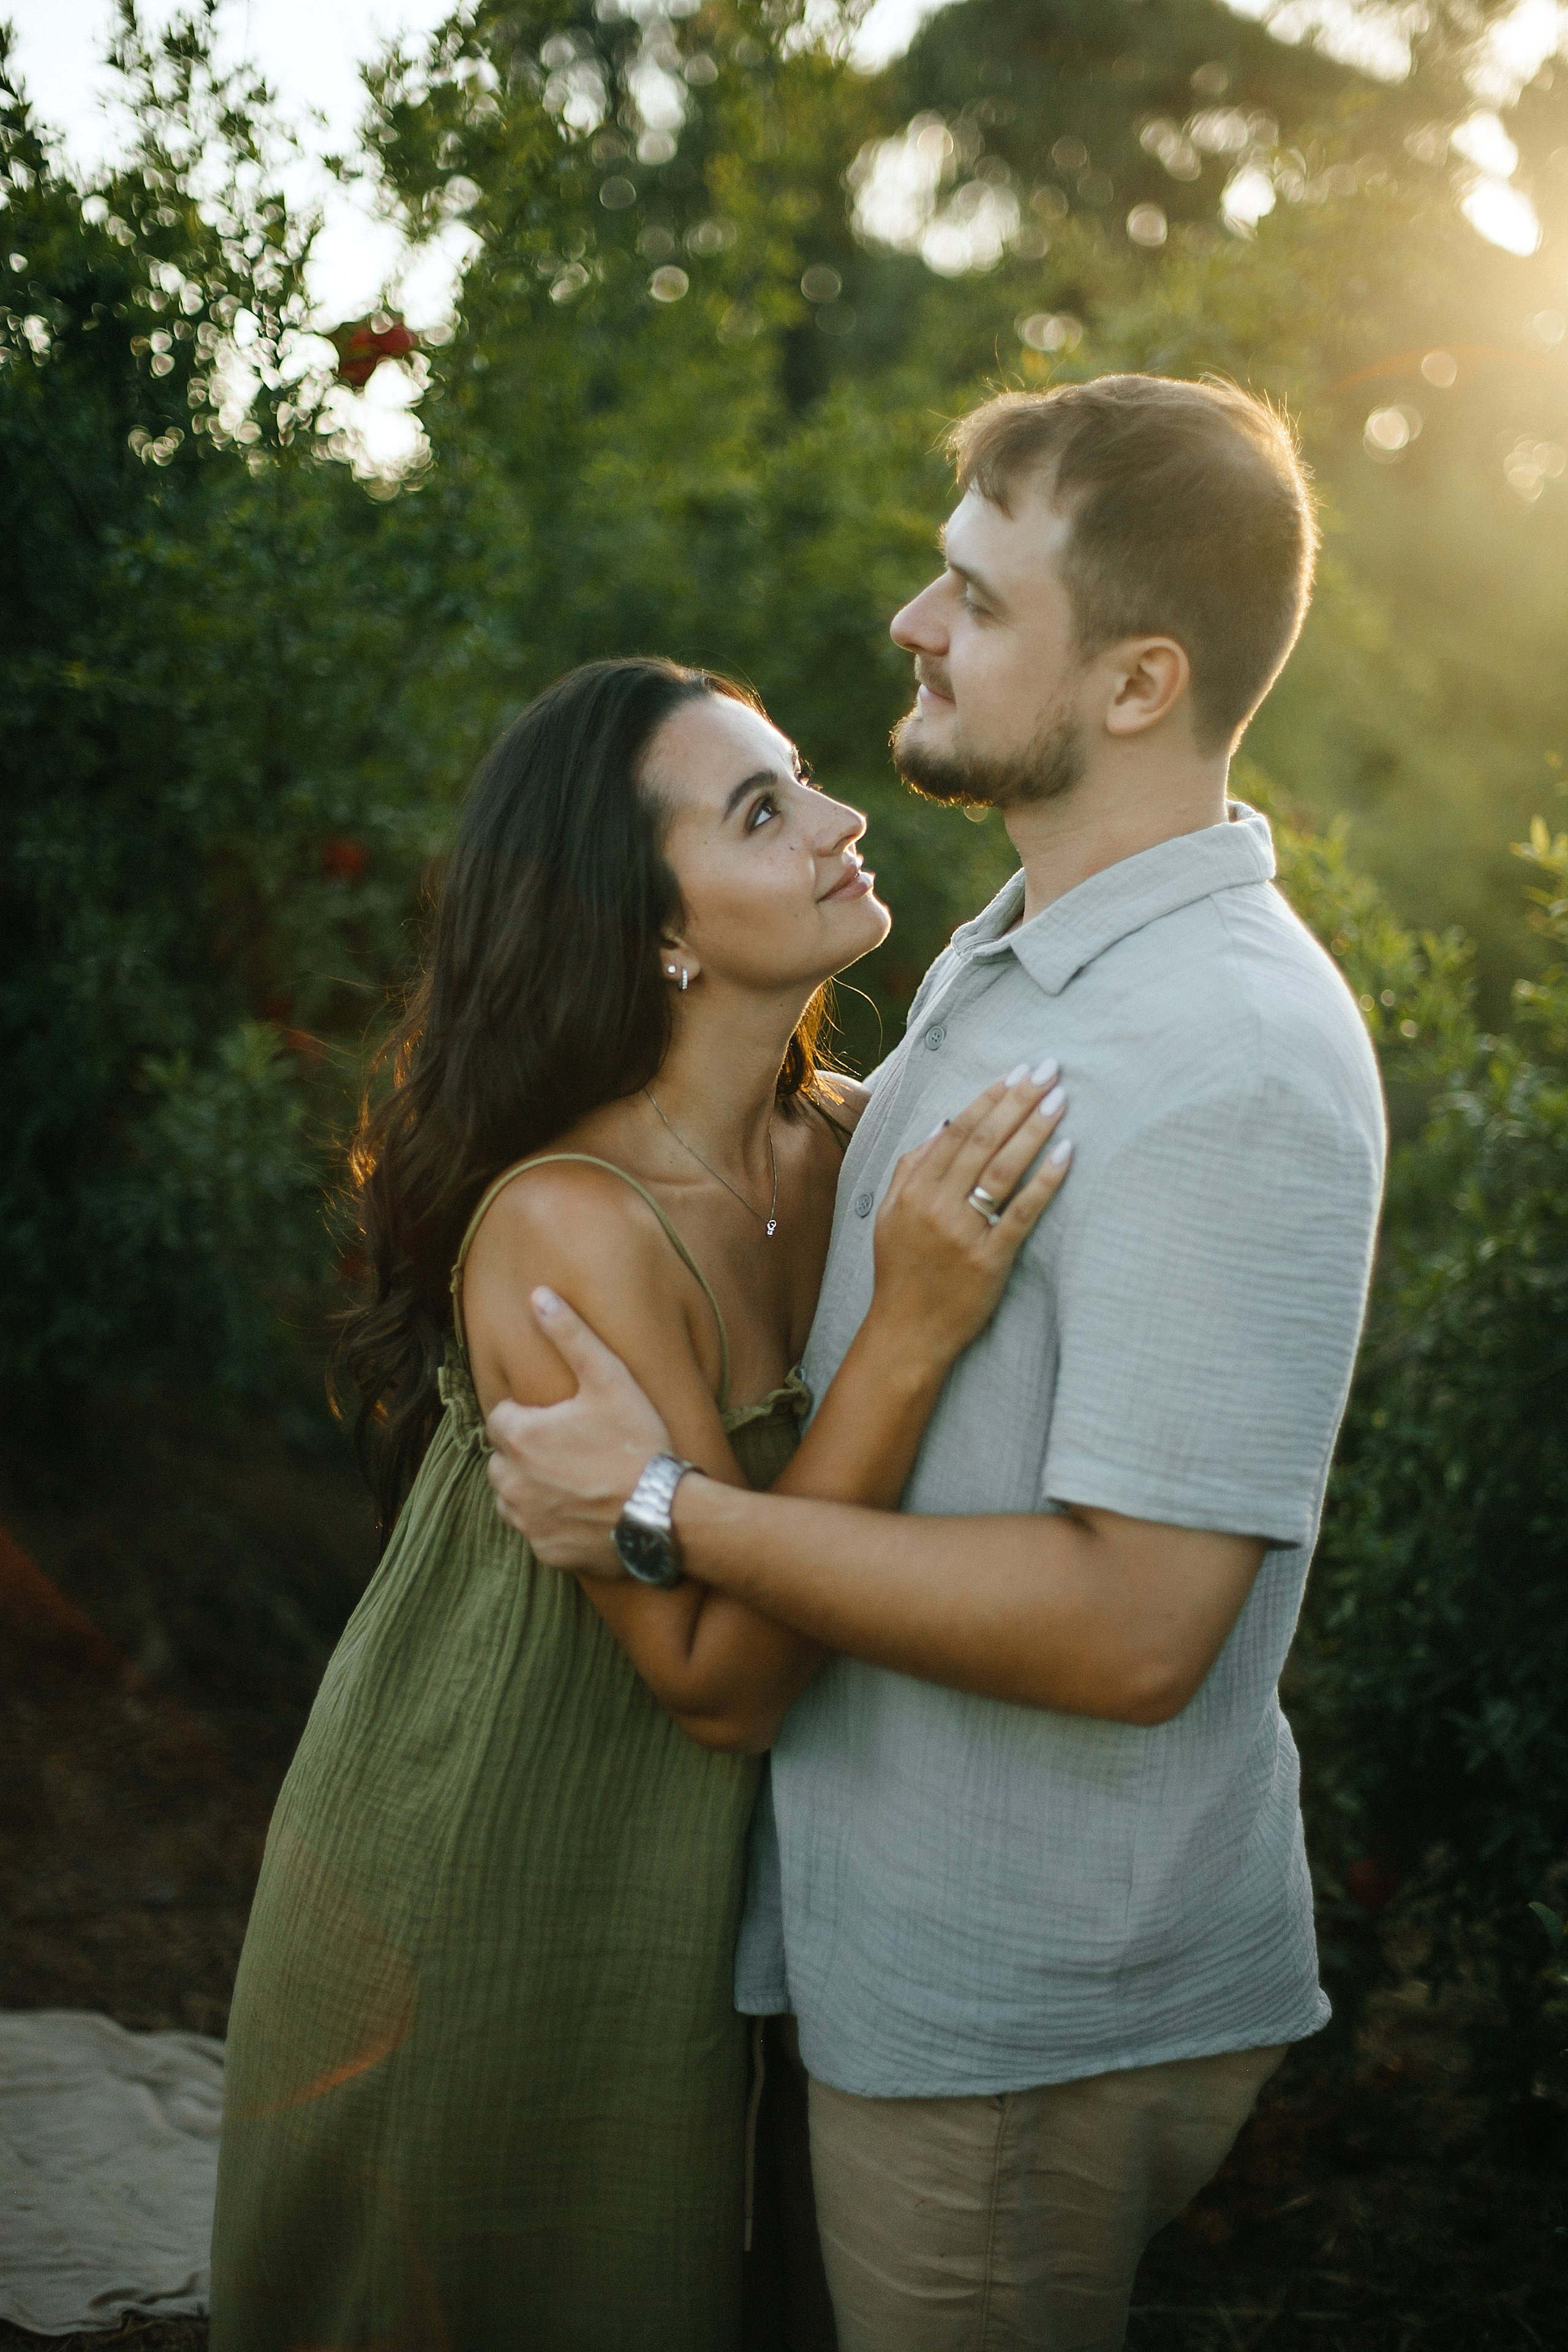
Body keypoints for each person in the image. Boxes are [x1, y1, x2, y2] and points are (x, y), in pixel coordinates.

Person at [484, 376, 1389, 2352]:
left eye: (977, 597)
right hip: (899, 1948)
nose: (914, 618)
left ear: (1139, 681)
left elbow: (1141, 1630)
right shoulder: (1022, 949)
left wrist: (660, 1510)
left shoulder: (1225, 1056)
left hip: (1024, 2006)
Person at [208, 654, 1074, 2352]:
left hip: (733, 1898)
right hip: (495, 1868)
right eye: (762, 812)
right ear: (648, 932)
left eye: (807, 775)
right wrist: (904, 1333)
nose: (839, 822)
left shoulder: (847, 1148)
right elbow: (719, 1682)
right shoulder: (570, 1222)